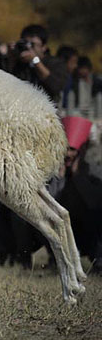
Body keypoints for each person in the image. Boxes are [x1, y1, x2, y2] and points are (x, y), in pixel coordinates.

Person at [11, 116, 102, 272]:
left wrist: (77, 176)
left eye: (72, 149)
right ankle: (29, 260)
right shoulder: (51, 171)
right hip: (57, 231)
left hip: (85, 231)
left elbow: (93, 203)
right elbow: (45, 203)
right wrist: (59, 176)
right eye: (65, 148)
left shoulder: (92, 170)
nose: (67, 154)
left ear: (81, 151)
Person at [7, 24, 68, 104]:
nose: (28, 48)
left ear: (44, 47)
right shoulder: (19, 64)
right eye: (25, 43)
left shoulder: (55, 63)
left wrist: (35, 61)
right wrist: (11, 57)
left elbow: (56, 86)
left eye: (32, 45)